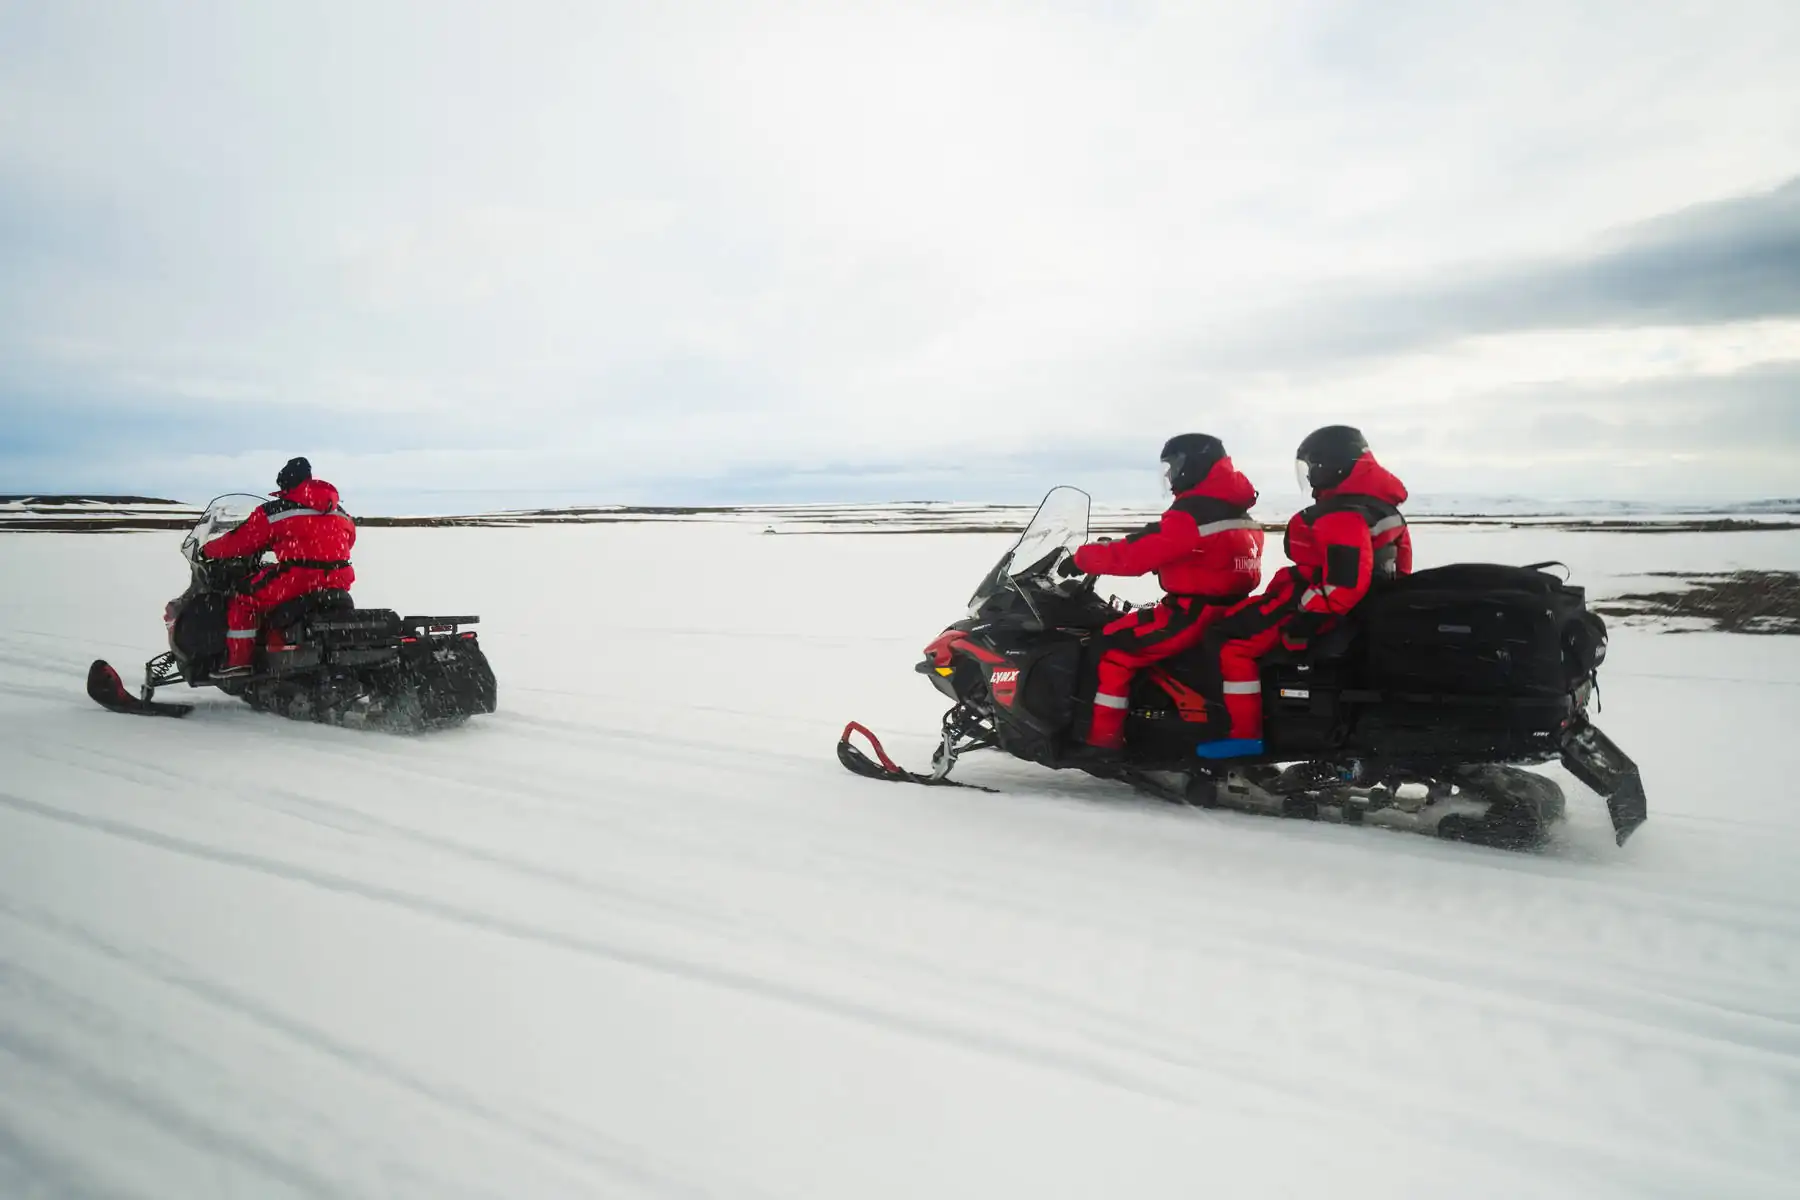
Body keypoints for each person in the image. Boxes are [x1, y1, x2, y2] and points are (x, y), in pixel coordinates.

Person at [1194, 425, 1411, 757]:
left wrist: (1305, 621)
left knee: (1230, 644)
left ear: (1332, 464)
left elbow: (1342, 582)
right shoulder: (1383, 509)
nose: (1309, 476)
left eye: (1312, 467)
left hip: (1318, 605)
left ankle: (1243, 736)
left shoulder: (1341, 514)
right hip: (1352, 610)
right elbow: (1402, 566)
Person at [1061, 434, 1263, 758]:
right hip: (1229, 612)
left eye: (1175, 465)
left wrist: (1082, 558)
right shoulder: (1234, 506)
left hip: (1192, 614)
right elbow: (1189, 550)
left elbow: (1138, 554)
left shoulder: (1194, 511)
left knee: (1110, 648)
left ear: (1195, 464)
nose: (1170, 475)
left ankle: (1102, 742)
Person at [202, 457, 356, 677]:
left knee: (243, 599)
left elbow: (241, 540)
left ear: (285, 483)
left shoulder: (277, 510)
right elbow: (349, 541)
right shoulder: (338, 510)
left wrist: (207, 551)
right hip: (338, 577)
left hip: (298, 578)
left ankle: (238, 663)